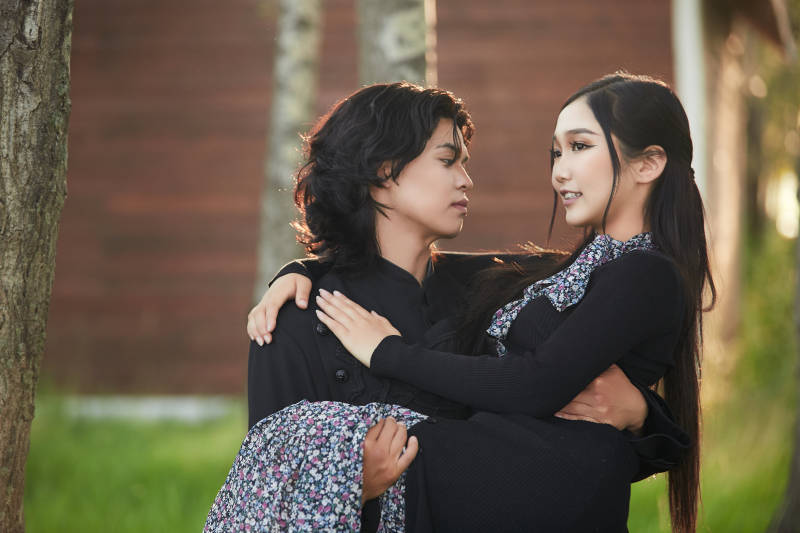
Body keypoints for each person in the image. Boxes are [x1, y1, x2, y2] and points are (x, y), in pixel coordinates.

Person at [205, 79, 695, 532]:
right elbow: (272, 487)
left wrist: (641, 413)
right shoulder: (294, 321)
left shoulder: (496, 290)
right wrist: (352, 483)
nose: (466, 180)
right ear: (383, 171)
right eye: (447, 161)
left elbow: (562, 374)